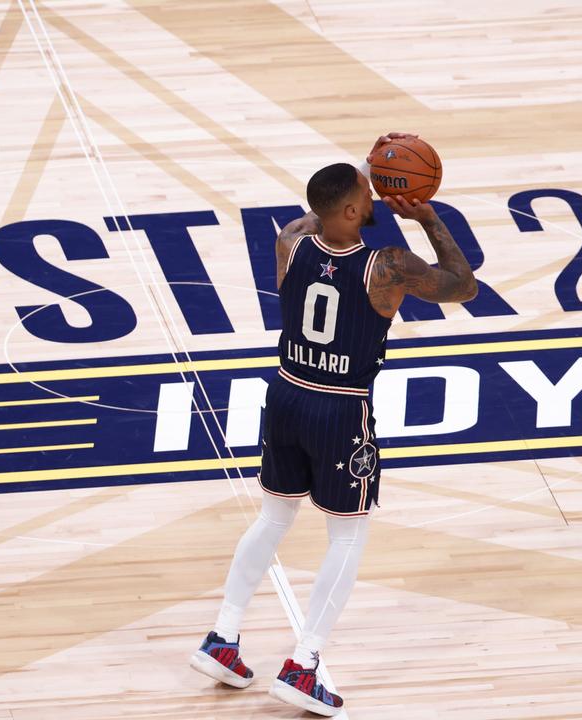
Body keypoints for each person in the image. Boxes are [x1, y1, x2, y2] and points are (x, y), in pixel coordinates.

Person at [190, 132, 478, 716]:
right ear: (349, 211)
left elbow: (317, 217)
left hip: (286, 393)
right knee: (347, 534)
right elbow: (463, 284)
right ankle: (305, 664)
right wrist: (424, 214)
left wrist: (339, 199)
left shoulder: (291, 241)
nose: (376, 201)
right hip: (340, 406)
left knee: (274, 517)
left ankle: (223, 639)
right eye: (368, 195)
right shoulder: (389, 266)